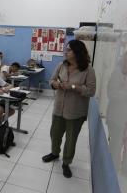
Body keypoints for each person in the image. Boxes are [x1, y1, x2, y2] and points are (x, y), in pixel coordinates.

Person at [41, 40, 96, 178]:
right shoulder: (61, 65)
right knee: (55, 133)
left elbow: (91, 91)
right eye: (66, 49)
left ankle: (66, 163)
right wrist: (56, 84)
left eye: (69, 50)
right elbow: (51, 80)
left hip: (76, 111)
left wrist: (74, 87)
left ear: (77, 52)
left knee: (71, 139)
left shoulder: (88, 70)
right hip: (59, 108)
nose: (66, 51)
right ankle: (54, 153)